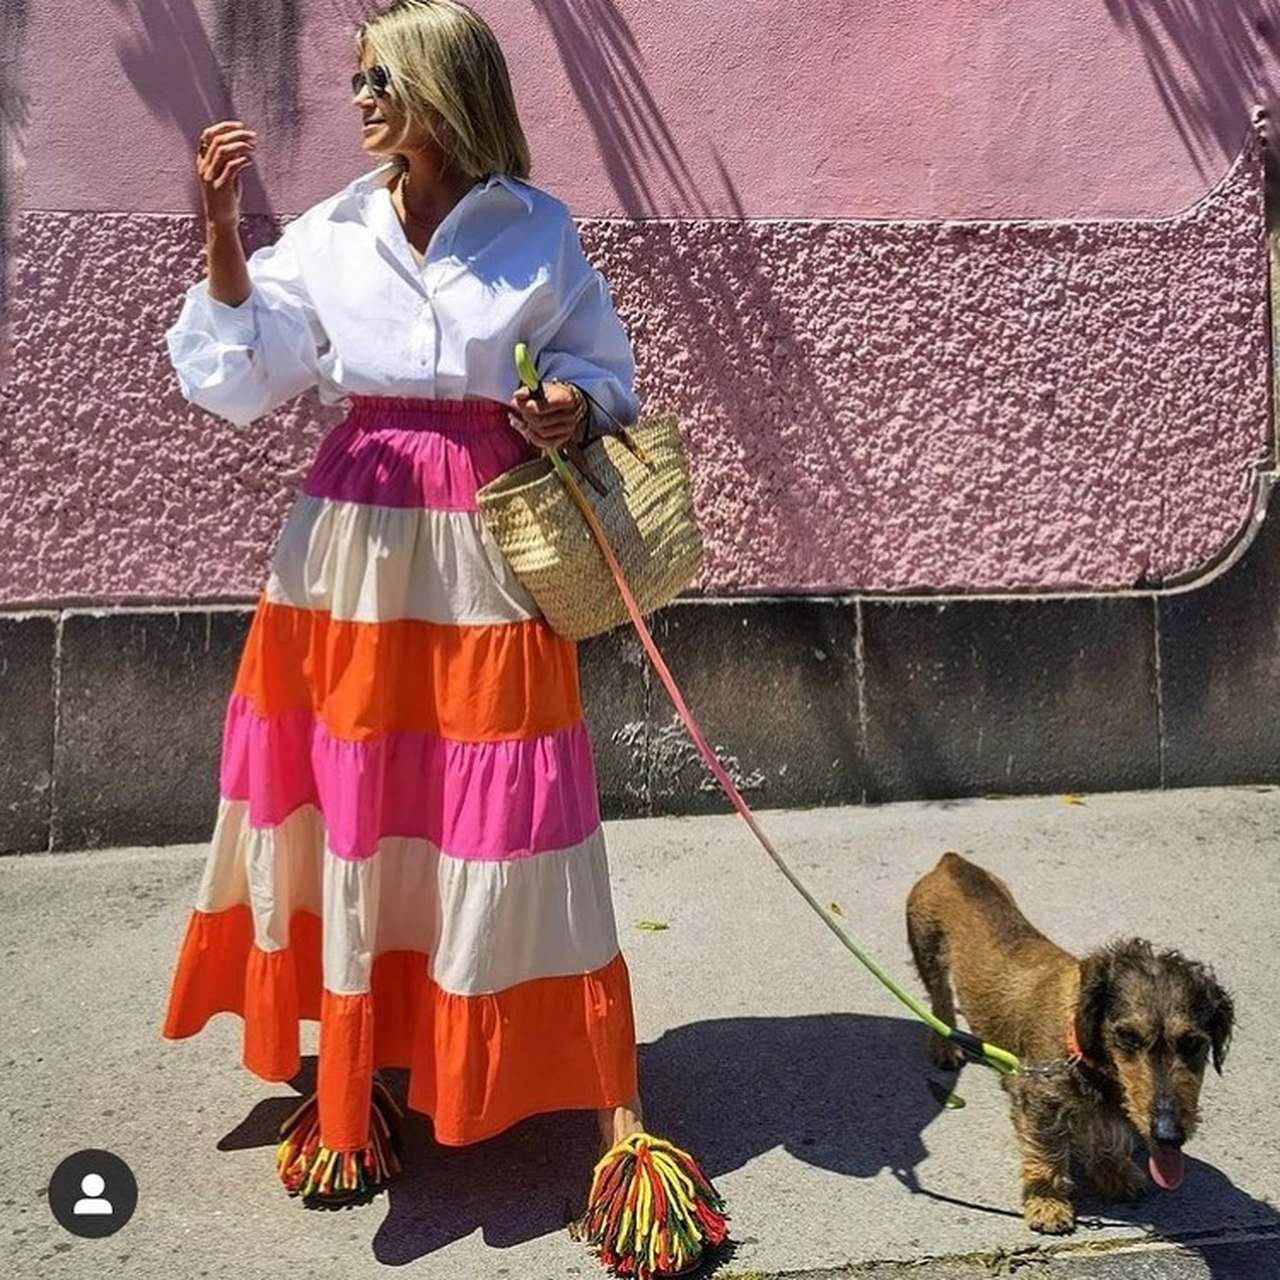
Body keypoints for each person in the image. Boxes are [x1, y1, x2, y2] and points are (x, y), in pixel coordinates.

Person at [157, 3, 725, 1274]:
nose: (358, 98)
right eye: (355, 77)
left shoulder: (538, 226)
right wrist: (221, 243)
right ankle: (358, 1081)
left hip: (482, 541)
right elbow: (244, 378)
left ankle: (610, 1121)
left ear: (442, 90)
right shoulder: (335, 228)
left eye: (380, 78)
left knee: (514, 804)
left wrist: (570, 399)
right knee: (358, 793)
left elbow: (607, 372)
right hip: (347, 546)